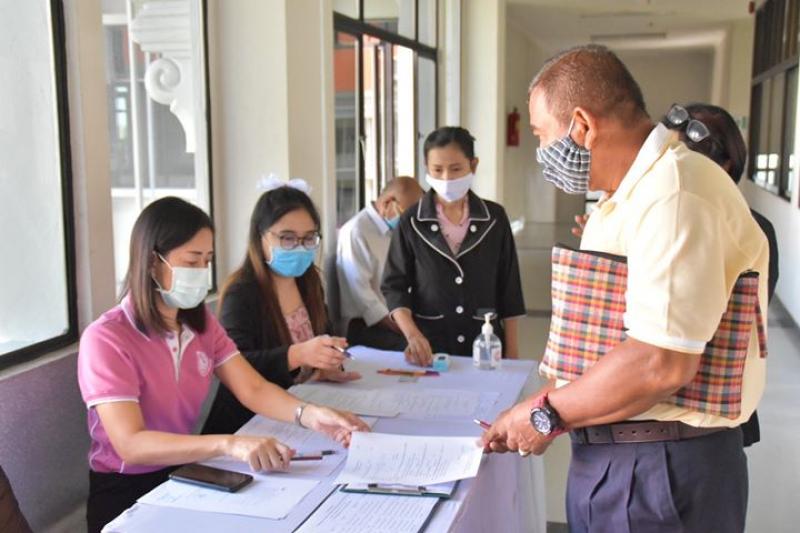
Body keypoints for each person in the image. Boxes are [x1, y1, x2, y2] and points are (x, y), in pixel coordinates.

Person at [482, 45, 769, 533]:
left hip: (660, 470)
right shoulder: (628, 195)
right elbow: (598, 335)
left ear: (582, 126)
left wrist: (543, 414)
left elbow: (661, 362)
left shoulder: (676, 193)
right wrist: (553, 408)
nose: (541, 153)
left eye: (540, 135)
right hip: (626, 455)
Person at [77, 197, 368, 532]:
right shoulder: (107, 338)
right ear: (152, 262)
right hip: (124, 488)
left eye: (207, 261)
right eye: (191, 261)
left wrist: (312, 415)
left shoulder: (201, 326)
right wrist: (228, 443)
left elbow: (253, 387)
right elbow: (131, 444)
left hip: (184, 474)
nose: (201, 272)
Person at [202, 182, 361, 436]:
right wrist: (298, 355)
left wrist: (327, 365)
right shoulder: (241, 292)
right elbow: (237, 365)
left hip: (302, 410)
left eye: (309, 238)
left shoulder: (309, 282)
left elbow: (324, 339)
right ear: (260, 237)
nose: (299, 247)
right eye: (287, 238)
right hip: (248, 425)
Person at [382, 126, 525, 365]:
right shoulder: (412, 221)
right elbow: (393, 286)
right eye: (437, 170)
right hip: (431, 345)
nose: (446, 178)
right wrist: (413, 335)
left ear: (474, 165)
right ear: (426, 168)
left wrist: (513, 354)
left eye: (456, 169)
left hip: (485, 345)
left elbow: (509, 288)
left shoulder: (494, 218)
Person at [336, 176, 424, 351]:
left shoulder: (395, 232)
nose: (409, 222)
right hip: (367, 325)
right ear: (387, 203)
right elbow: (363, 297)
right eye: (406, 214)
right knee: (419, 348)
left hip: (397, 317)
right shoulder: (356, 231)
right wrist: (406, 329)